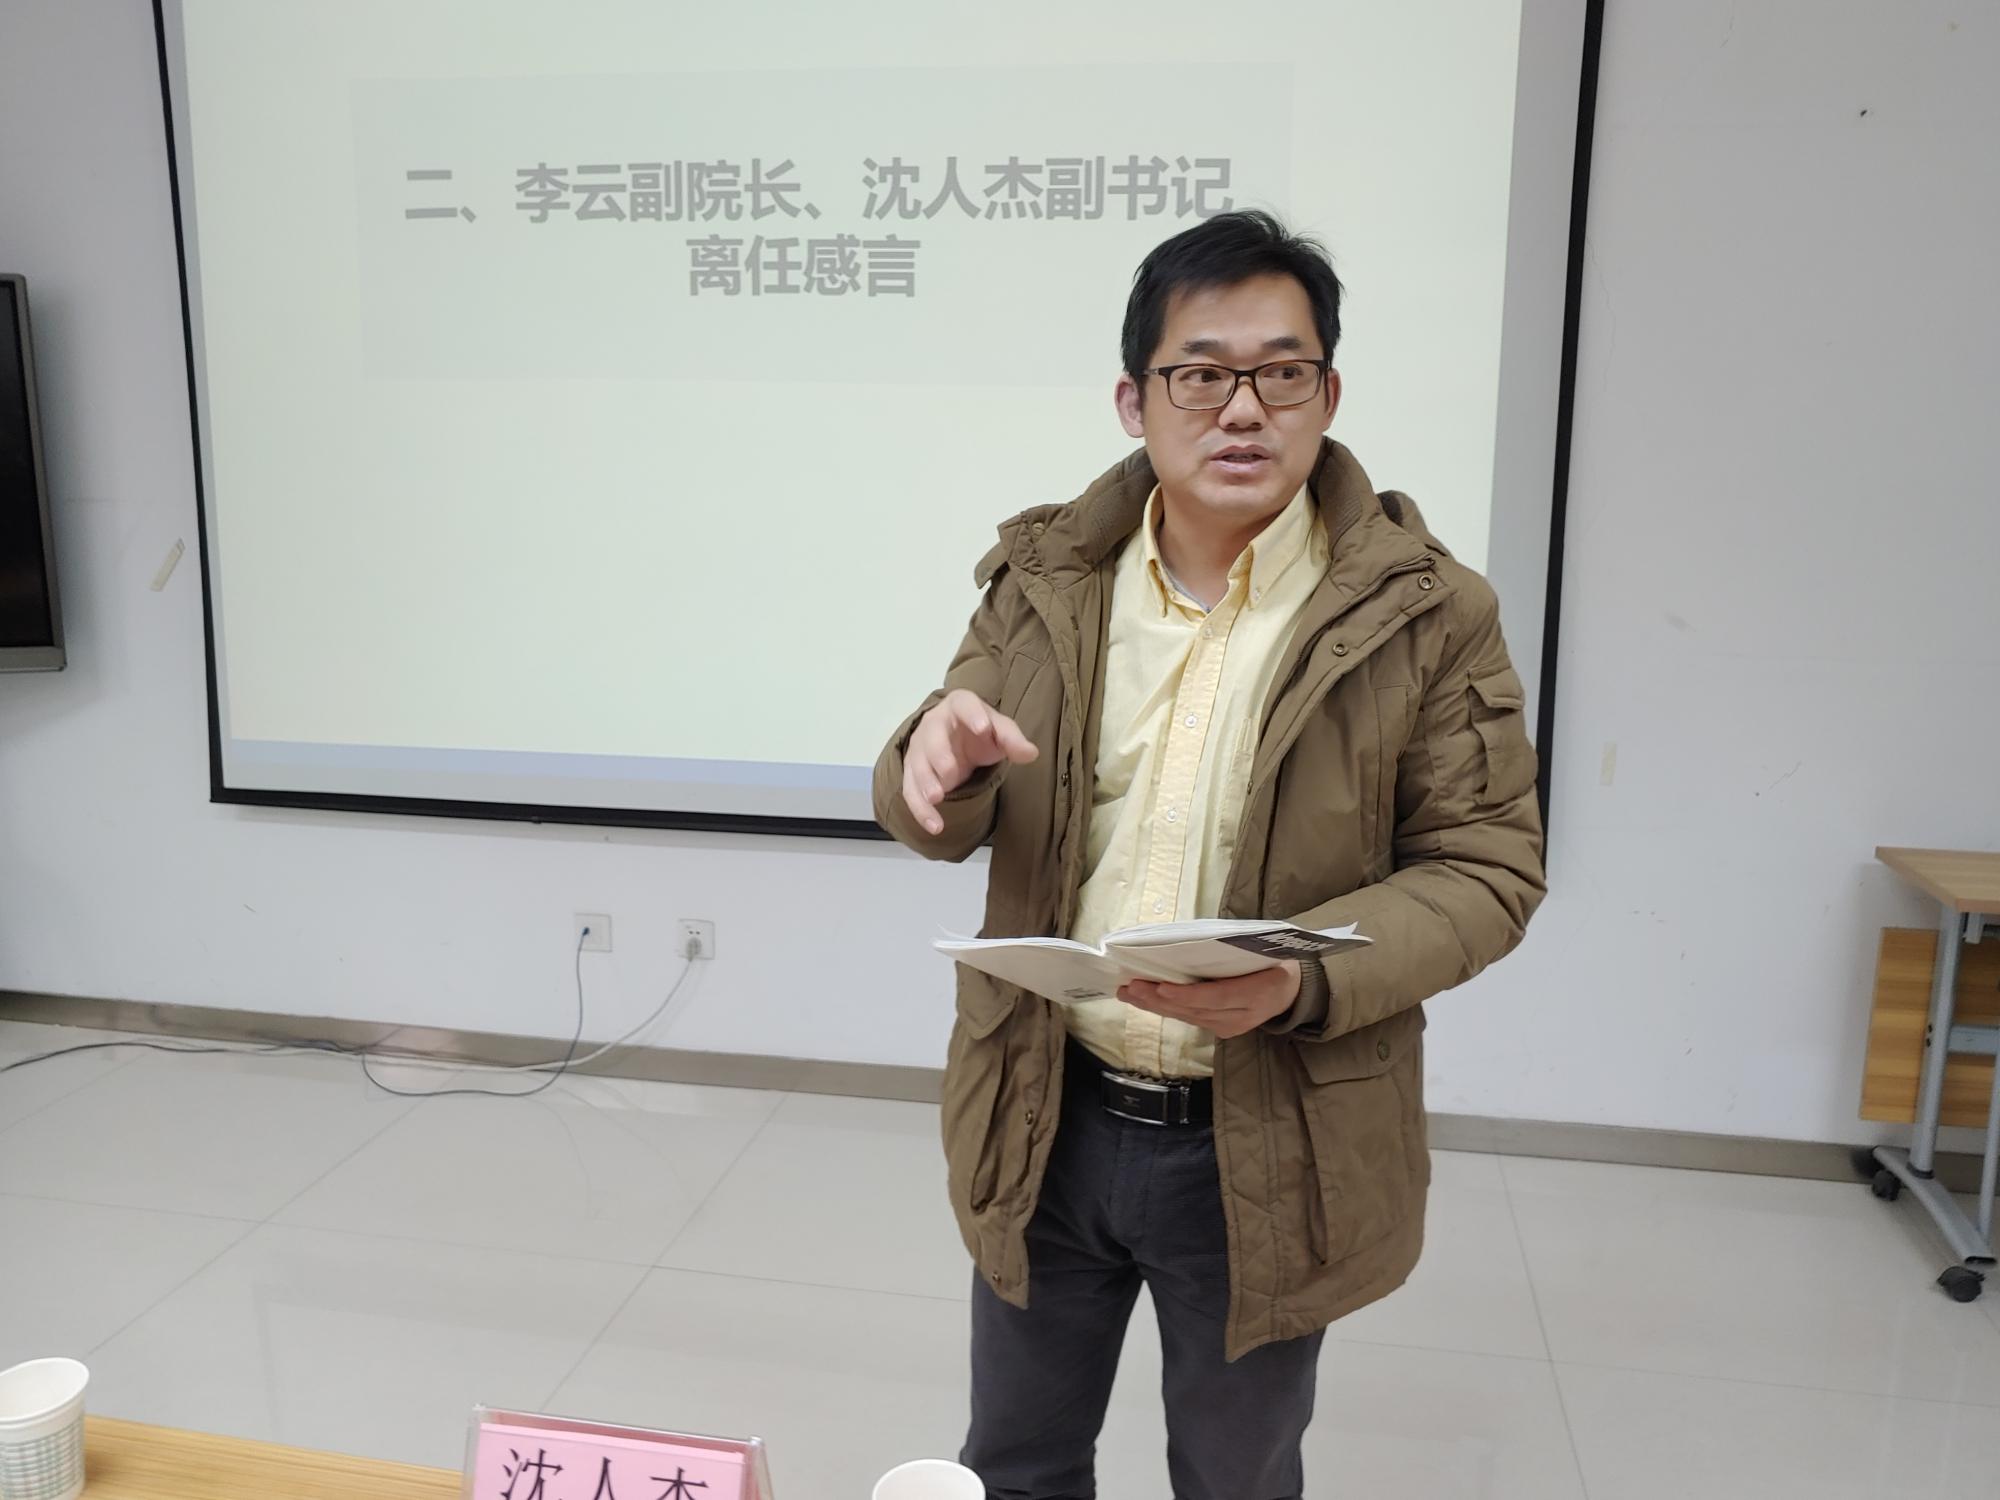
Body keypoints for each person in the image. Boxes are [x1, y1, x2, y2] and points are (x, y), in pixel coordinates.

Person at [872, 210, 1546, 1500]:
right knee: (1015, 1464)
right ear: (1135, 401)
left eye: (1282, 372)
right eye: (1200, 373)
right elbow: (936, 802)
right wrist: (931, 761)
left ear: (1328, 397)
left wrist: (1303, 982)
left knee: (1237, 1481)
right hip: (1045, 1104)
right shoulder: (1046, 579)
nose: (1242, 409)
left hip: (1270, 1133)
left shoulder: (1427, 612)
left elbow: (1486, 869)